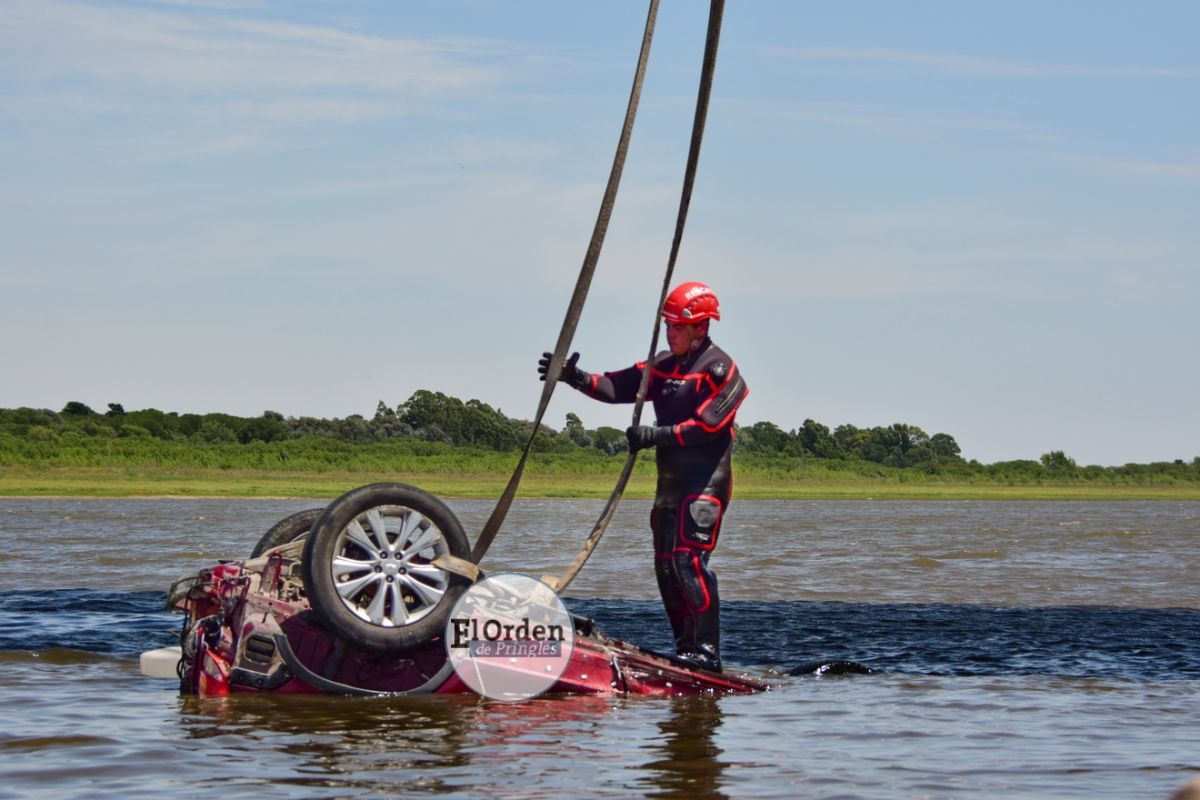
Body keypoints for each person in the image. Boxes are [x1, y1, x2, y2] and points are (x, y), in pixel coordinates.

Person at [539, 281, 748, 672]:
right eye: (666, 325)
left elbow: (709, 426)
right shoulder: (665, 364)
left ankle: (707, 653)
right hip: (669, 486)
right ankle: (686, 649)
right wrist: (574, 376)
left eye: (677, 327)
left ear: (701, 328)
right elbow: (618, 385)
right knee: (666, 567)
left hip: (704, 484)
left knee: (689, 562)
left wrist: (657, 435)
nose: (669, 333)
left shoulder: (722, 370)